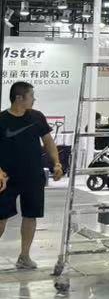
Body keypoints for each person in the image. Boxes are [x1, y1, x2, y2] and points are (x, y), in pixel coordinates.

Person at [0, 81, 64, 270]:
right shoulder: (2, 120)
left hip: (33, 176)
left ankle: (24, 256)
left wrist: (56, 163)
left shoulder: (37, 117)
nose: (34, 99)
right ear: (19, 98)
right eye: (31, 96)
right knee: (1, 218)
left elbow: (48, 141)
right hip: (6, 178)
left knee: (31, 215)